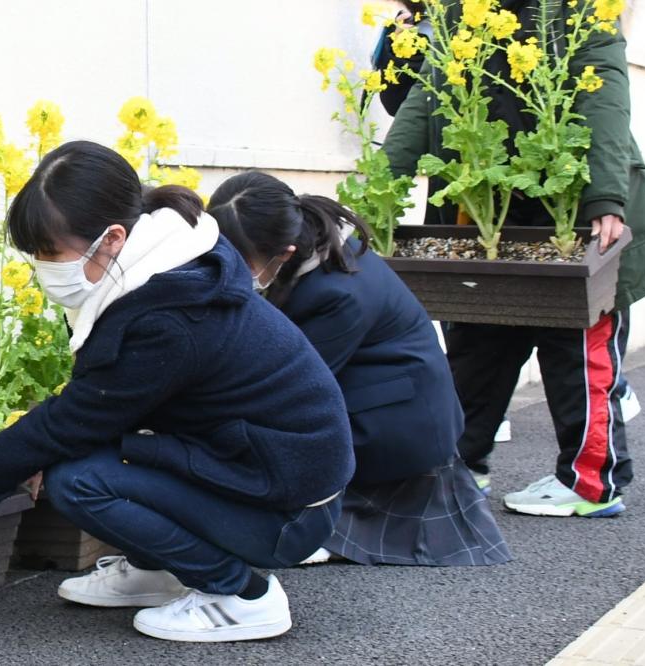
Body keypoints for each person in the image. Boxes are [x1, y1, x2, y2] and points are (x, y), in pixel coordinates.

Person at [0, 141, 356, 642]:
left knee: (79, 482)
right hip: (250, 466)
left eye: (49, 252)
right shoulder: (161, 265)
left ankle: (242, 595)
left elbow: (68, 420)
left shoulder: (171, 314)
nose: (43, 266)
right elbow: (99, 407)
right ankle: (159, 571)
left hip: (286, 510)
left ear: (111, 237)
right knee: (81, 458)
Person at [383, 1, 645, 516]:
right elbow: (422, 104)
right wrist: (382, 188)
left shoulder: (583, 12)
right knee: (476, 345)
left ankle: (590, 485)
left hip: (573, 211)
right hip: (487, 211)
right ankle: (460, 467)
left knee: (576, 348)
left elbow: (606, 100)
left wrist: (605, 200)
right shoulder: (460, 14)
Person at [208, 171, 511, 566]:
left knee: (267, 427)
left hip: (399, 425)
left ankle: (313, 527)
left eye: (243, 261)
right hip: (385, 403)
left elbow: (287, 386)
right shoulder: (322, 251)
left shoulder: (337, 293)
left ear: (284, 251)